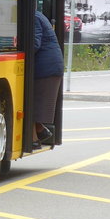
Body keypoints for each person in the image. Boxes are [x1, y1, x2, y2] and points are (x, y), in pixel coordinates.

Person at [32, 8, 63, 148]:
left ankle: (33, 140)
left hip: (45, 68)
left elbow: (34, 43)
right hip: (50, 66)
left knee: (30, 104)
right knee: (36, 104)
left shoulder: (32, 17)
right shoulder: (38, 15)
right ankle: (41, 131)